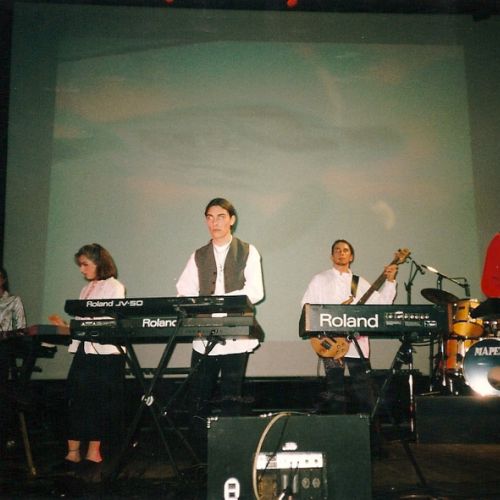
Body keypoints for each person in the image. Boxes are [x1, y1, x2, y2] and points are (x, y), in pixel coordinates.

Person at [176, 198, 264, 452]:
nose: (214, 222)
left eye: (221, 216)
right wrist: (200, 306)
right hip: (204, 336)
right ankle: (199, 455)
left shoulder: (248, 251)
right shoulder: (198, 255)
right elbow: (184, 290)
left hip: (236, 334)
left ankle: (230, 453)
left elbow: (255, 291)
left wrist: (222, 301)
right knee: (198, 396)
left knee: (231, 397)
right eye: (210, 217)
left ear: (231, 220)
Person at [301, 239, 397, 415]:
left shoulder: (359, 282)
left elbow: (382, 304)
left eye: (345, 250)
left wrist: (390, 281)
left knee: (364, 390)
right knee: (335, 390)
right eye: (337, 250)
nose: (341, 253)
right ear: (332, 256)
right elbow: (307, 308)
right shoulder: (320, 280)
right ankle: (338, 429)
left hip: (356, 343)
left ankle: (368, 429)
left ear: (351, 256)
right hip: (330, 342)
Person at [54, 244, 126, 478]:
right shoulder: (85, 289)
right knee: (75, 399)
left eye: (85, 264)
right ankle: (72, 453)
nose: (82, 269)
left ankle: (94, 454)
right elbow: (81, 322)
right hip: (84, 350)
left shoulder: (115, 287)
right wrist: (67, 327)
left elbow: (108, 320)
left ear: (99, 263)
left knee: (98, 402)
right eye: (80, 265)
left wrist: (81, 324)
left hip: (105, 354)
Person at [0, 267, 27, 457]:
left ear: (3, 280)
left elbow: (21, 330)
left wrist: (4, 335)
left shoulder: (13, 300)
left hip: (4, 348)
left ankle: (6, 437)